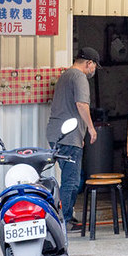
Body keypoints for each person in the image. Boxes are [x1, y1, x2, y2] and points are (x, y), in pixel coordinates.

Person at [47, 47, 101, 231]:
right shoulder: (79, 77)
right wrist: (91, 129)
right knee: (71, 180)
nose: (93, 70)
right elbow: (81, 104)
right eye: (94, 66)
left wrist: (80, 134)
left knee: (68, 177)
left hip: (57, 134)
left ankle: (64, 216)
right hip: (68, 137)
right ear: (89, 63)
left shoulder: (65, 75)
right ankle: (64, 220)